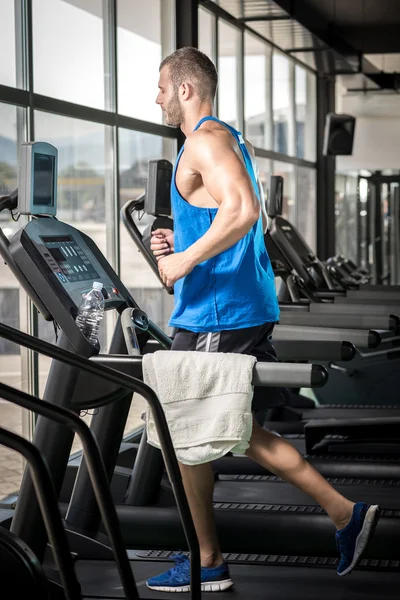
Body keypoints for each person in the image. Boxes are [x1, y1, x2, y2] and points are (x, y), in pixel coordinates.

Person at [146, 46, 380, 593]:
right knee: (227, 430)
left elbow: (245, 210)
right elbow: (233, 215)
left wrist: (182, 259)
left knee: (189, 430)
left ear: (185, 89)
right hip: (235, 307)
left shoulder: (202, 140)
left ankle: (211, 559)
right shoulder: (227, 138)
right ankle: (340, 516)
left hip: (217, 314)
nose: (155, 97)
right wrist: (184, 239)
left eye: (162, 87)